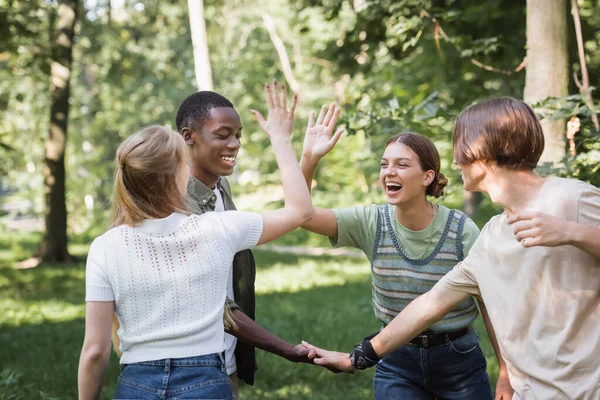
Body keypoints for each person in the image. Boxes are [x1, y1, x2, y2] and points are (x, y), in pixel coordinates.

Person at [302, 97, 600, 400]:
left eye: (460, 147)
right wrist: (358, 357)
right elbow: (428, 305)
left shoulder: (570, 199)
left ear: (482, 152)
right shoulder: (491, 238)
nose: (456, 161)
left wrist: (573, 232)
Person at [77, 83, 313, 399]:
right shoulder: (216, 229)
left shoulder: (104, 247)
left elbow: (94, 351)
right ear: (178, 174)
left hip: (136, 381)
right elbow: (299, 211)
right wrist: (282, 139)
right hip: (205, 377)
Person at [298, 104, 512, 399]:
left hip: (458, 360)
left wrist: (505, 368)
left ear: (427, 177)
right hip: (394, 358)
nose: (389, 172)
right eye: (384, 164)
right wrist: (309, 158)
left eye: (401, 164)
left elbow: (491, 303)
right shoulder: (371, 221)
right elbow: (303, 215)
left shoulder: (461, 229)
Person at [175, 84, 319, 398]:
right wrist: (284, 349)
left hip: (223, 358)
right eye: (223, 134)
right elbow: (217, 308)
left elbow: (294, 213)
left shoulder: (220, 187)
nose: (235, 144)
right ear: (189, 136)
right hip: (190, 369)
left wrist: (307, 158)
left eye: (238, 135)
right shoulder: (179, 207)